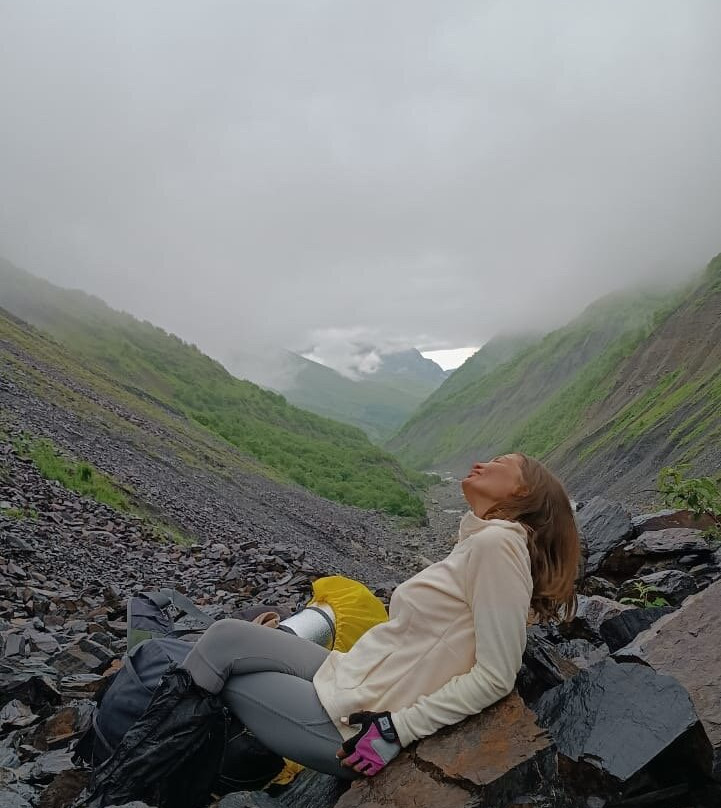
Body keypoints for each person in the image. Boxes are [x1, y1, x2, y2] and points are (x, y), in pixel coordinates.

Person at [181, 453, 580, 779]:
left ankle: (137, 776)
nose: (482, 463)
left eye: (500, 462)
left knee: (222, 675)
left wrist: (398, 729)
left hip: (356, 720)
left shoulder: (498, 545)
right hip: (356, 675)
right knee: (225, 637)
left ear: (523, 490)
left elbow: (497, 674)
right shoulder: (482, 543)